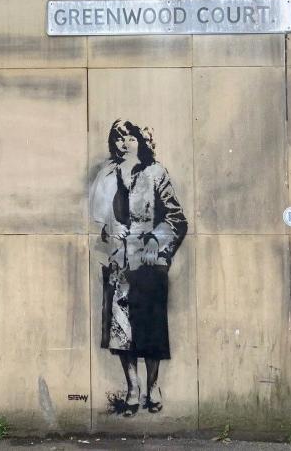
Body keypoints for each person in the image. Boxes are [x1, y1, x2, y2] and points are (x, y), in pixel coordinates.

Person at [88, 120, 188, 416]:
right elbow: (100, 220)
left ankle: (153, 385)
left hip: (148, 264)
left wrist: (156, 242)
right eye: (117, 138)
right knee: (122, 332)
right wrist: (109, 229)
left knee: (150, 331)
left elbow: (177, 218)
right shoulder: (107, 176)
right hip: (119, 264)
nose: (123, 143)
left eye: (128, 137)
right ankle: (132, 388)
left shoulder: (156, 173)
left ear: (140, 142)